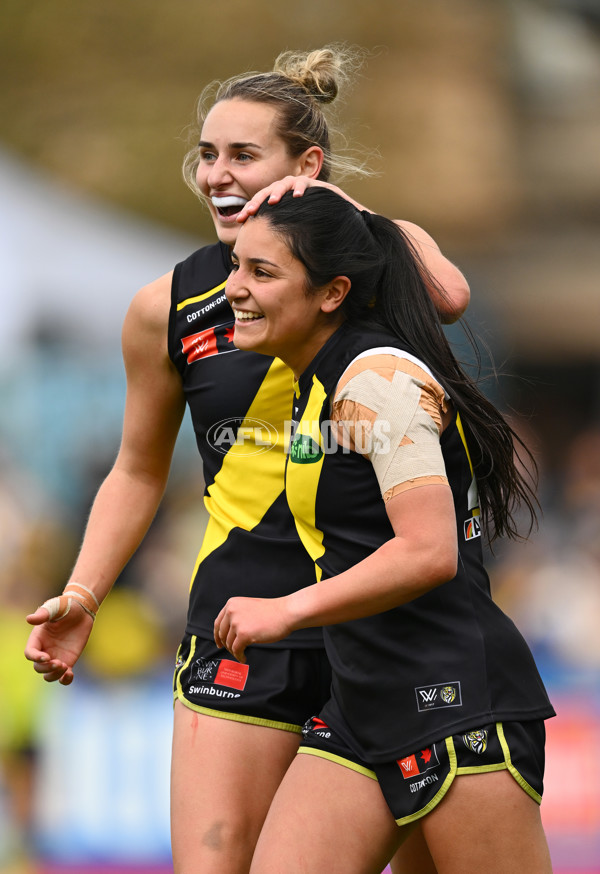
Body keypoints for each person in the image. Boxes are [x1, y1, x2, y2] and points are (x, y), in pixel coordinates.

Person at [24, 47, 469, 874]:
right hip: (241, 619)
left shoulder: (369, 259)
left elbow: (449, 297)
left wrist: (328, 207)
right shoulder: (168, 305)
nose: (216, 175)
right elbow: (138, 468)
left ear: (307, 166)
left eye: (243, 156)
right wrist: (83, 591)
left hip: (381, 623)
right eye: (206, 154)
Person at [214, 186, 555, 874]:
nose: (233, 290)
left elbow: (429, 553)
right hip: (361, 705)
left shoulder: (376, 379)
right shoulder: (314, 382)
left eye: (261, 272)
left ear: (333, 292)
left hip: (454, 703)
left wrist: (286, 610)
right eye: (235, 266)